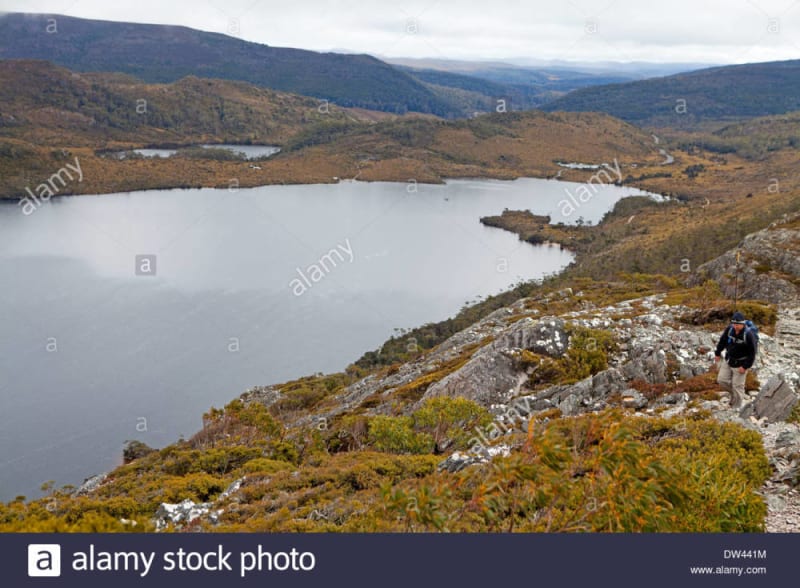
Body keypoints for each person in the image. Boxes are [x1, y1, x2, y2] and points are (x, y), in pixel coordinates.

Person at [714, 311, 757, 408]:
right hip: (728, 360)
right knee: (721, 380)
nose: (735, 326)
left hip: (741, 364)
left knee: (737, 386)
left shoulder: (748, 334)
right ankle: (735, 394)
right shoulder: (729, 330)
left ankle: (736, 408)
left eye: (738, 324)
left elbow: (752, 353)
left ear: (742, 324)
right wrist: (717, 353)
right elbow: (722, 341)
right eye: (734, 324)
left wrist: (745, 366)